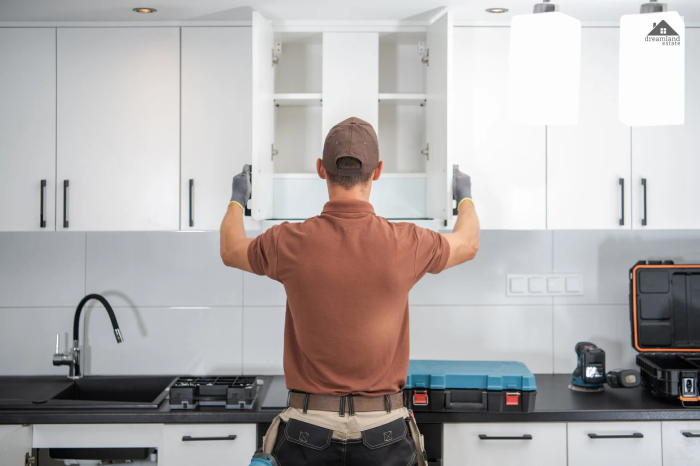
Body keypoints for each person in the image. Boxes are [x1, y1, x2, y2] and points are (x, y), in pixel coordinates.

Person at [220, 116, 480, 466]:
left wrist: (238, 198)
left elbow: (231, 249)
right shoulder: (407, 242)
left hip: (306, 432)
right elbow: (468, 243)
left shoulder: (287, 241)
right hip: (384, 433)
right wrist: (464, 196)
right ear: (378, 171)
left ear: (320, 169)